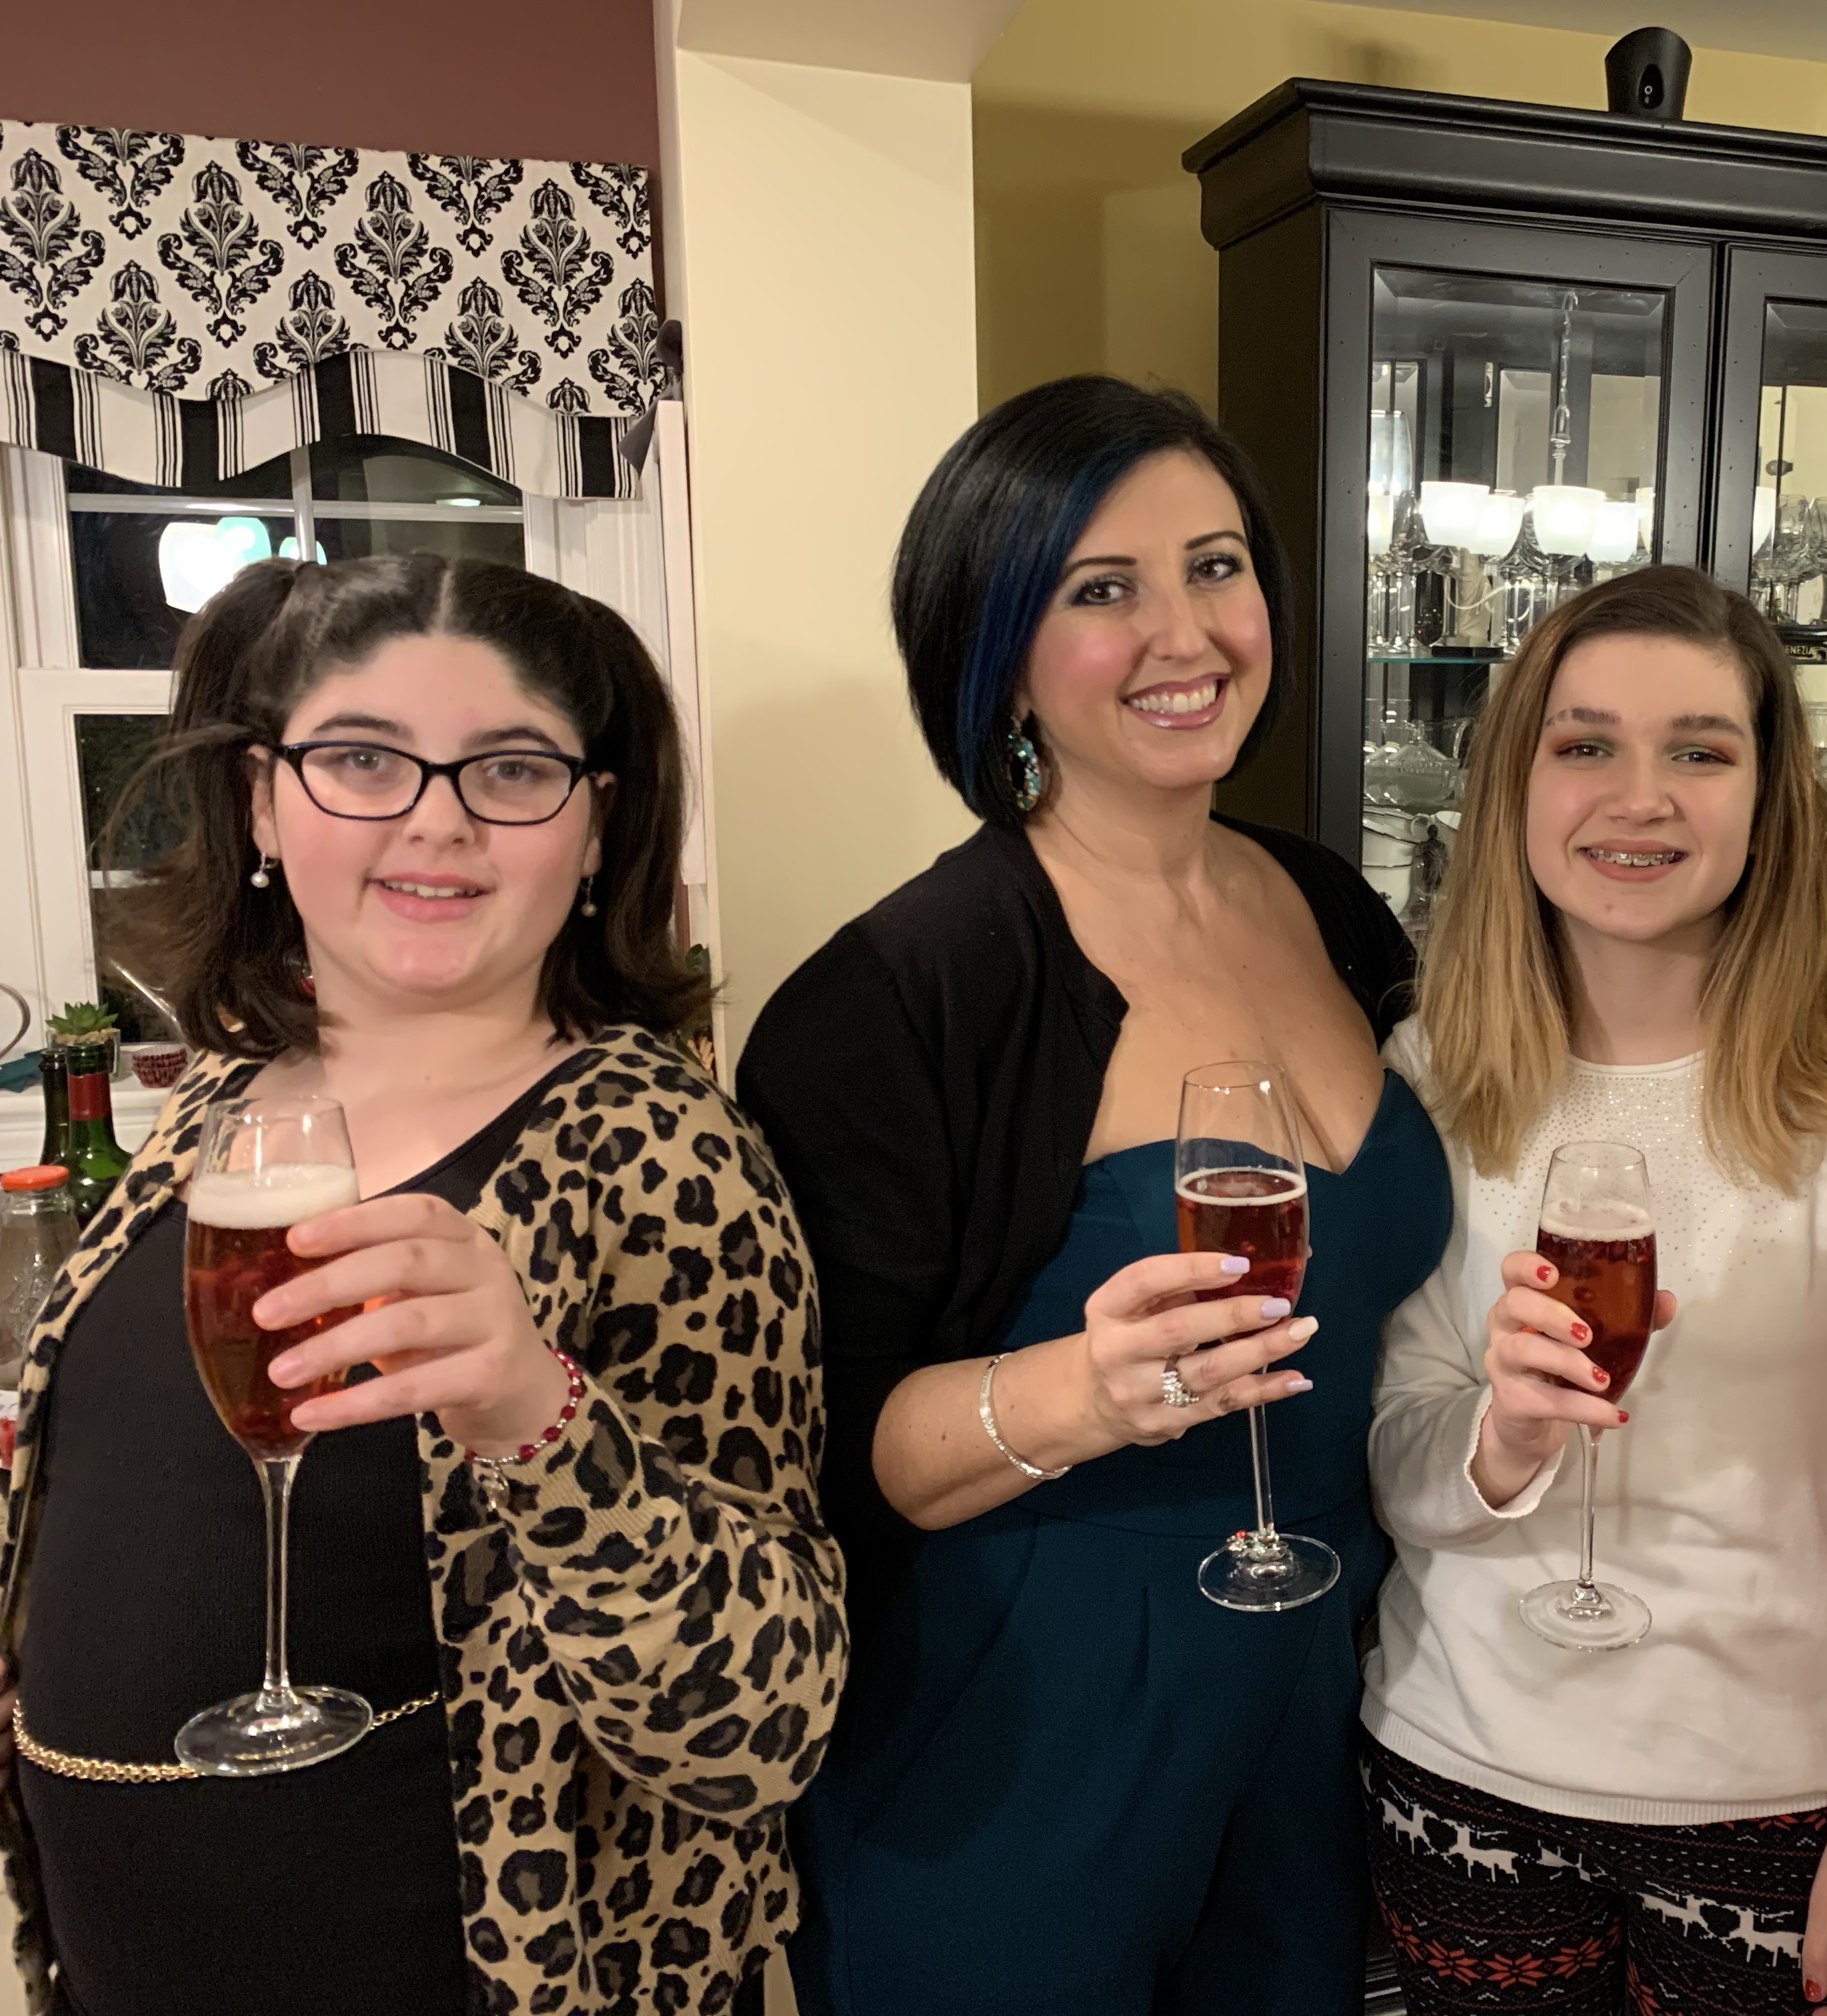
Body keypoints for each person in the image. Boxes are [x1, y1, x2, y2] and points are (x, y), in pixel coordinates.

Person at [0, 554, 845, 2016]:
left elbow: (763, 1728)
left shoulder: (664, 1154)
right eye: (362, 760)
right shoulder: (223, 1106)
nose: (436, 819)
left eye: (511, 769)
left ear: (598, 826)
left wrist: (539, 1416)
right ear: (264, 805)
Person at [737, 375, 1450, 2016]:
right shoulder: (897, 997)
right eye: (1101, 589)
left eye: (1216, 566)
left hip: (1320, 1690)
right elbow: (816, 1460)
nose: (1183, 634)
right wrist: (1084, 1392)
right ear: (995, 649)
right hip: (1020, 1730)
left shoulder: (1330, 905)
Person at [1362, 566, 1827, 2016]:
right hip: (1463, 1767)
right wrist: (1503, 1439)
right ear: (1515, 786)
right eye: (1585, 744)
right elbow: (1395, 1454)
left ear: (1770, 798)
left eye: (1699, 751)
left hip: (1785, 1800)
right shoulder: (1432, 1074)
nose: (1638, 798)